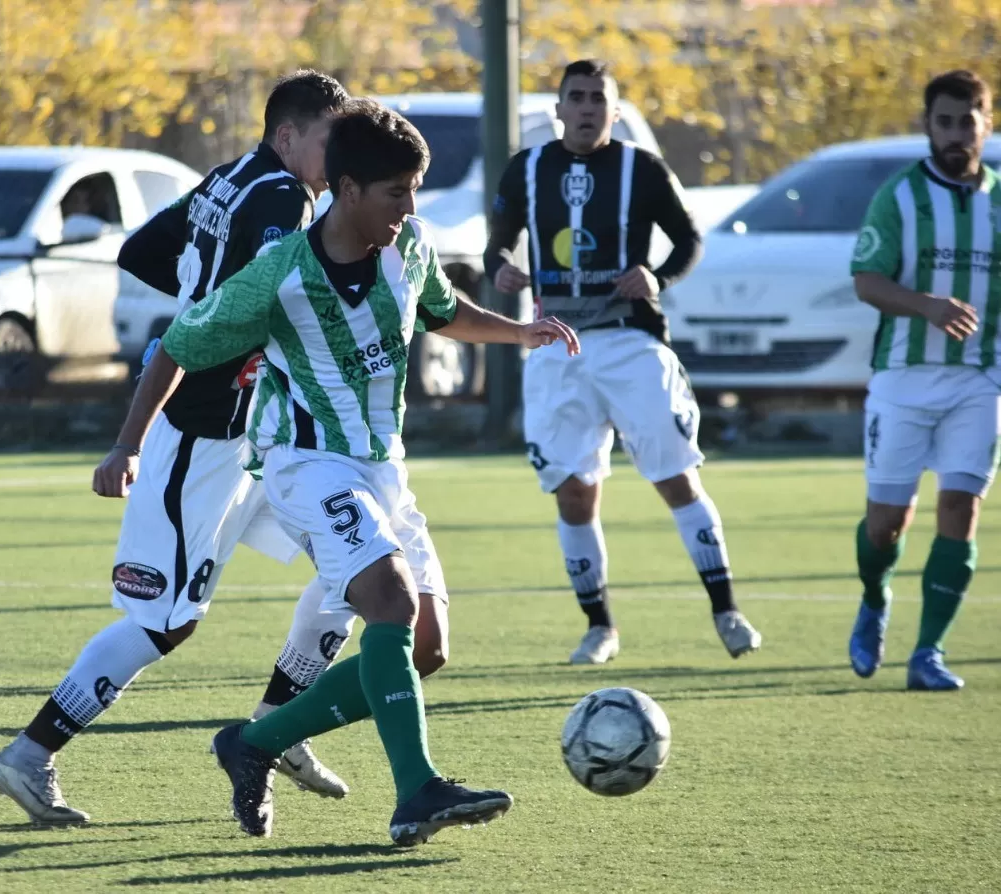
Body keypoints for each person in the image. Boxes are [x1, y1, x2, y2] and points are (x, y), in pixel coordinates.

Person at [141, 99, 578, 846]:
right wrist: (126, 446)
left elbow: (441, 310)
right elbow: (180, 342)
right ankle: (417, 792)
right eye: (395, 193)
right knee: (390, 601)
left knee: (427, 647)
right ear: (346, 190)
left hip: (382, 469)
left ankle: (255, 742)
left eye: (415, 190)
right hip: (304, 462)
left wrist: (519, 333)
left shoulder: (410, 247)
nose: (410, 208)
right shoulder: (280, 272)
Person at [0, 71, 357, 825]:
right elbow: (261, 306)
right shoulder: (282, 199)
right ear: (288, 135)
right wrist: (207, 325)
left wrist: (201, 294)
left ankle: (278, 727)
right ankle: (31, 752)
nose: (342, 153)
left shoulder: (228, 177)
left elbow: (142, 251)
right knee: (165, 622)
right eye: (331, 138)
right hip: (204, 435)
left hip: (255, 434)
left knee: (356, 567)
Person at [484, 58, 762, 665]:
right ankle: (600, 628)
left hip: (629, 341)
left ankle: (726, 610)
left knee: (675, 478)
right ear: (558, 109)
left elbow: (689, 239)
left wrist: (656, 276)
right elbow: (497, 244)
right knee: (573, 493)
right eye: (577, 97)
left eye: (597, 98)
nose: (587, 108)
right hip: (555, 345)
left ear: (613, 110)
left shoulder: (643, 168)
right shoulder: (526, 168)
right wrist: (500, 267)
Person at [847, 69, 998, 691]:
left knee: (961, 507)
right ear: (927, 125)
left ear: (987, 123)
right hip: (903, 379)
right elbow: (867, 280)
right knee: (887, 523)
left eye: (969, 120)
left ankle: (928, 653)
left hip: (978, 381)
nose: (957, 133)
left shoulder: (999, 200)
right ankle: (874, 596)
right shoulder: (900, 196)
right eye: (945, 121)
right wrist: (926, 305)